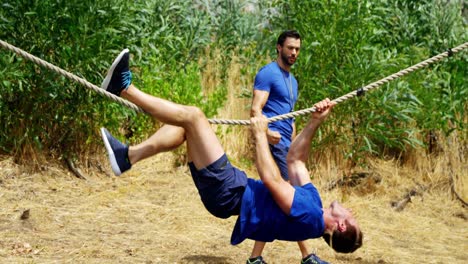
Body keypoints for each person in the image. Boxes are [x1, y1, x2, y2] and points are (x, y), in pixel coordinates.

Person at [99, 49, 363, 262]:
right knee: (184, 128)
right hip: (232, 188)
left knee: (193, 116)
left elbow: (273, 180)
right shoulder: (314, 204)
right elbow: (295, 160)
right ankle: (127, 156)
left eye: (351, 217)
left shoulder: (308, 216)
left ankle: (123, 88)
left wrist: (260, 134)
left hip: (228, 192)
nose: (351, 211)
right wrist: (315, 122)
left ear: (340, 227)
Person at [250, 30, 323, 264]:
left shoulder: (293, 81)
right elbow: (255, 110)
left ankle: (255, 258)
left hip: (285, 146)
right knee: (295, 197)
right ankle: (307, 255)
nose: (294, 53)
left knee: (275, 200)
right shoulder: (268, 73)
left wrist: (293, 145)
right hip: (273, 145)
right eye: (290, 48)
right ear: (279, 47)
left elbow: (290, 118)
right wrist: (267, 133)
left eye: (297, 49)